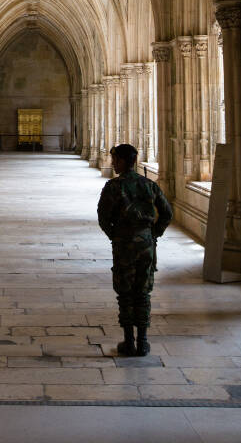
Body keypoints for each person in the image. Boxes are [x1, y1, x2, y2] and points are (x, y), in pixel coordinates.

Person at [97, 143, 172, 357]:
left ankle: (129, 341)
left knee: (125, 292)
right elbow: (167, 213)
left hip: (124, 245)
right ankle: (144, 342)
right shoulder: (149, 185)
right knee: (143, 291)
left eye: (115, 160)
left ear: (122, 161)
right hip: (146, 245)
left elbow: (103, 218)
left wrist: (117, 236)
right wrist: (152, 234)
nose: (113, 163)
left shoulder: (113, 187)